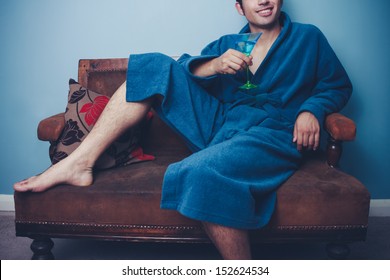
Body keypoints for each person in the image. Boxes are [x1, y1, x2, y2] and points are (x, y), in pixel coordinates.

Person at [13, 0, 352, 259]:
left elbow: (337, 86)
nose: (263, 0)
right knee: (155, 65)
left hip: (273, 131)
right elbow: (188, 76)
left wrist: (311, 109)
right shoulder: (227, 42)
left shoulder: (308, 38)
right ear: (239, 6)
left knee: (198, 173)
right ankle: (79, 162)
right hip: (222, 122)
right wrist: (215, 64)